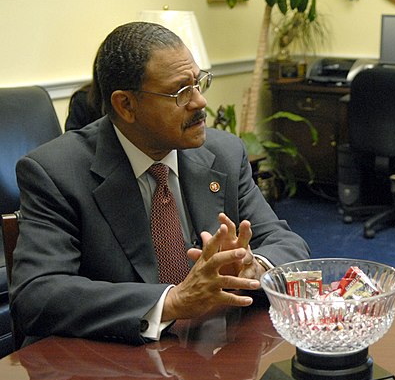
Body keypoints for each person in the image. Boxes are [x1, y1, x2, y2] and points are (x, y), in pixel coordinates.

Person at [10, 21, 310, 346]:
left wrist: (254, 268)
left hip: (208, 359)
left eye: (199, 83)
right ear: (126, 105)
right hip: (110, 365)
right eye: (181, 92)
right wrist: (172, 301)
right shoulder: (56, 171)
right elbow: (37, 294)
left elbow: (287, 244)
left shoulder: (222, 153)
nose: (200, 102)